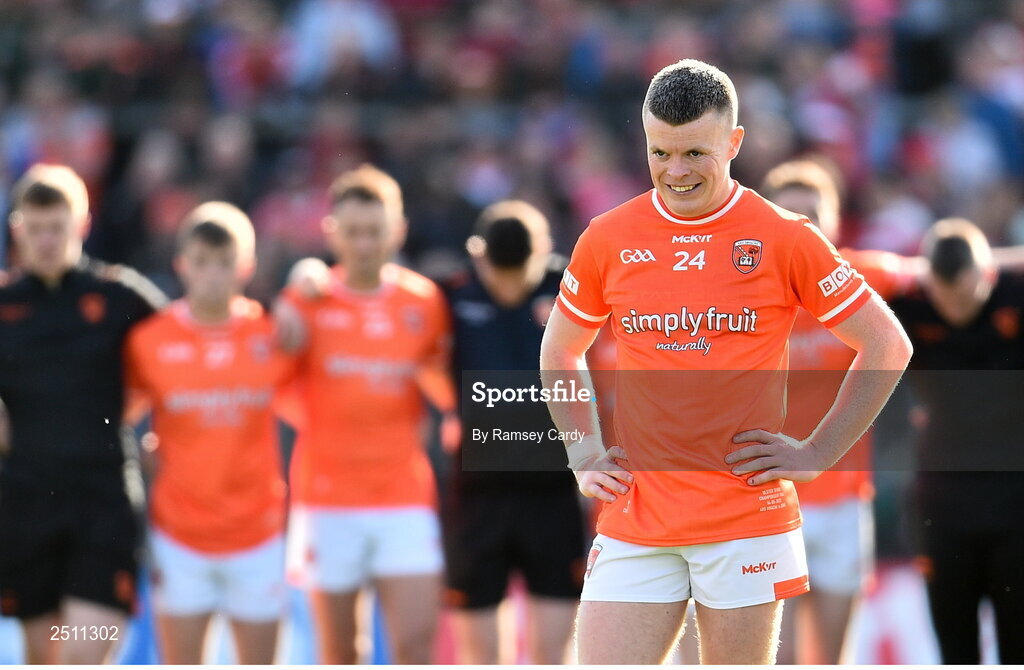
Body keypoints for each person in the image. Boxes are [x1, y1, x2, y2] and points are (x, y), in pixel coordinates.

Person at [538, 60, 912, 665]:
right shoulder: (607, 236)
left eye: (694, 153)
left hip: (745, 516)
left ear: (734, 142)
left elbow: (888, 345)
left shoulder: (785, 236)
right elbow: (560, 348)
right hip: (637, 514)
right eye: (660, 152)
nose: (675, 171)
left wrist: (817, 452)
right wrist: (582, 453)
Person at [278, 164, 454, 664]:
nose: (363, 244)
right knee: (340, 652)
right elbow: (278, 388)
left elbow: (444, 391)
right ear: (331, 232)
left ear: (397, 231)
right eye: (352, 232)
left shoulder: (423, 301)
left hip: (403, 498)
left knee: (416, 648)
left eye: (374, 231)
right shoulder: (307, 300)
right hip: (327, 500)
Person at [0, 164, 166, 664]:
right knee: (41, 656)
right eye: (36, 228)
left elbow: (192, 339)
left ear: (83, 224)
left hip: (104, 503)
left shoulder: (119, 297)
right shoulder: (4, 306)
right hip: (26, 506)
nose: (47, 240)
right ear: (17, 229)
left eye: (58, 227)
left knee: (82, 654)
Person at [123, 202, 294, 664]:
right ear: (182, 265)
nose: (213, 275)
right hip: (179, 538)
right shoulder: (150, 340)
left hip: (257, 533)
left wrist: (308, 281)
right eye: (201, 262)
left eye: (225, 263)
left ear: (247, 267)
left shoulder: (273, 333)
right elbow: (114, 417)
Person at [440, 200, 586, 664]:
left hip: (553, 495)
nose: (509, 286)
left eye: (520, 272)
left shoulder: (571, 287)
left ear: (544, 252)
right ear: (478, 256)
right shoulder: (451, 295)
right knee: (480, 656)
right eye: (498, 273)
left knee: (551, 654)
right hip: (478, 497)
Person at [889, 218, 1024, 664]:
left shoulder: (1016, 293)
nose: (954, 310)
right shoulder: (910, 303)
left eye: (964, 297)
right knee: (955, 650)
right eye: (943, 297)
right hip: (943, 506)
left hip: (1016, 504)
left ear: (987, 275)